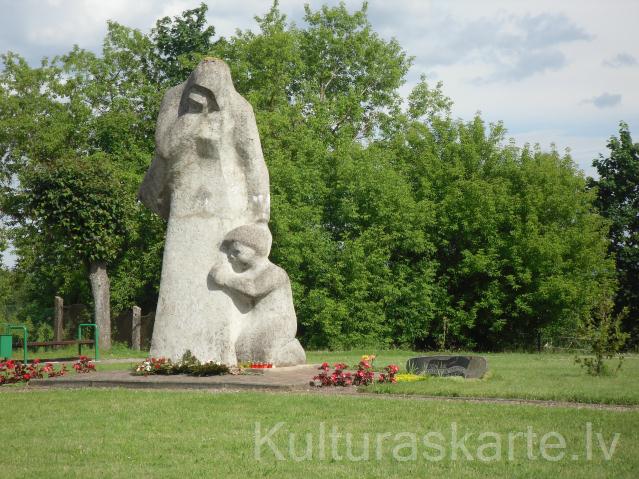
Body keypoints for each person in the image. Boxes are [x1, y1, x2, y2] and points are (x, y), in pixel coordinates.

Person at [209, 224, 306, 366]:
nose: (230, 256)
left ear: (254, 249)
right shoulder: (247, 274)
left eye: (236, 251)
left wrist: (225, 278)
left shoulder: (275, 272)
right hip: (258, 321)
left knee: (266, 356)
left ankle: (294, 351)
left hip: (278, 323)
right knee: (245, 353)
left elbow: (253, 287)